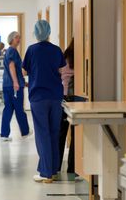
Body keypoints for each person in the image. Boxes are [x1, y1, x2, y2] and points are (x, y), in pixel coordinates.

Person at [23, 20, 66, 183]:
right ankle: (53, 169)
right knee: (54, 132)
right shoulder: (56, 50)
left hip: (38, 97)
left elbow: (25, 70)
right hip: (55, 96)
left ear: (35, 33)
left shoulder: (32, 50)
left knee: (42, 134)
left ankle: (46, 173)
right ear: (48, 32)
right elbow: (60, 69)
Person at [1, 32, 32, 141]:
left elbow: (16, 70)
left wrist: (23, 82)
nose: (19, 39)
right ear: (12, 39)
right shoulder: (12, 51)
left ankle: (4, 134)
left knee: (8, 109)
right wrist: (16, 82)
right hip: (13, 86)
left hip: (7, 85)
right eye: (17, 37)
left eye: (19, 37)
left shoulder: (9, 51)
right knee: (19, 108)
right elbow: (12, 66)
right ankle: (25, 132)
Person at [57, 38, 75, 174]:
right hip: (77, 99)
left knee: (61, 134)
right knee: (76, 135)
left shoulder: (64, 56)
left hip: (63, 98)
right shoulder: (80, 57)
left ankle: (56, 167)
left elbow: (58, 74)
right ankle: (72, 168)